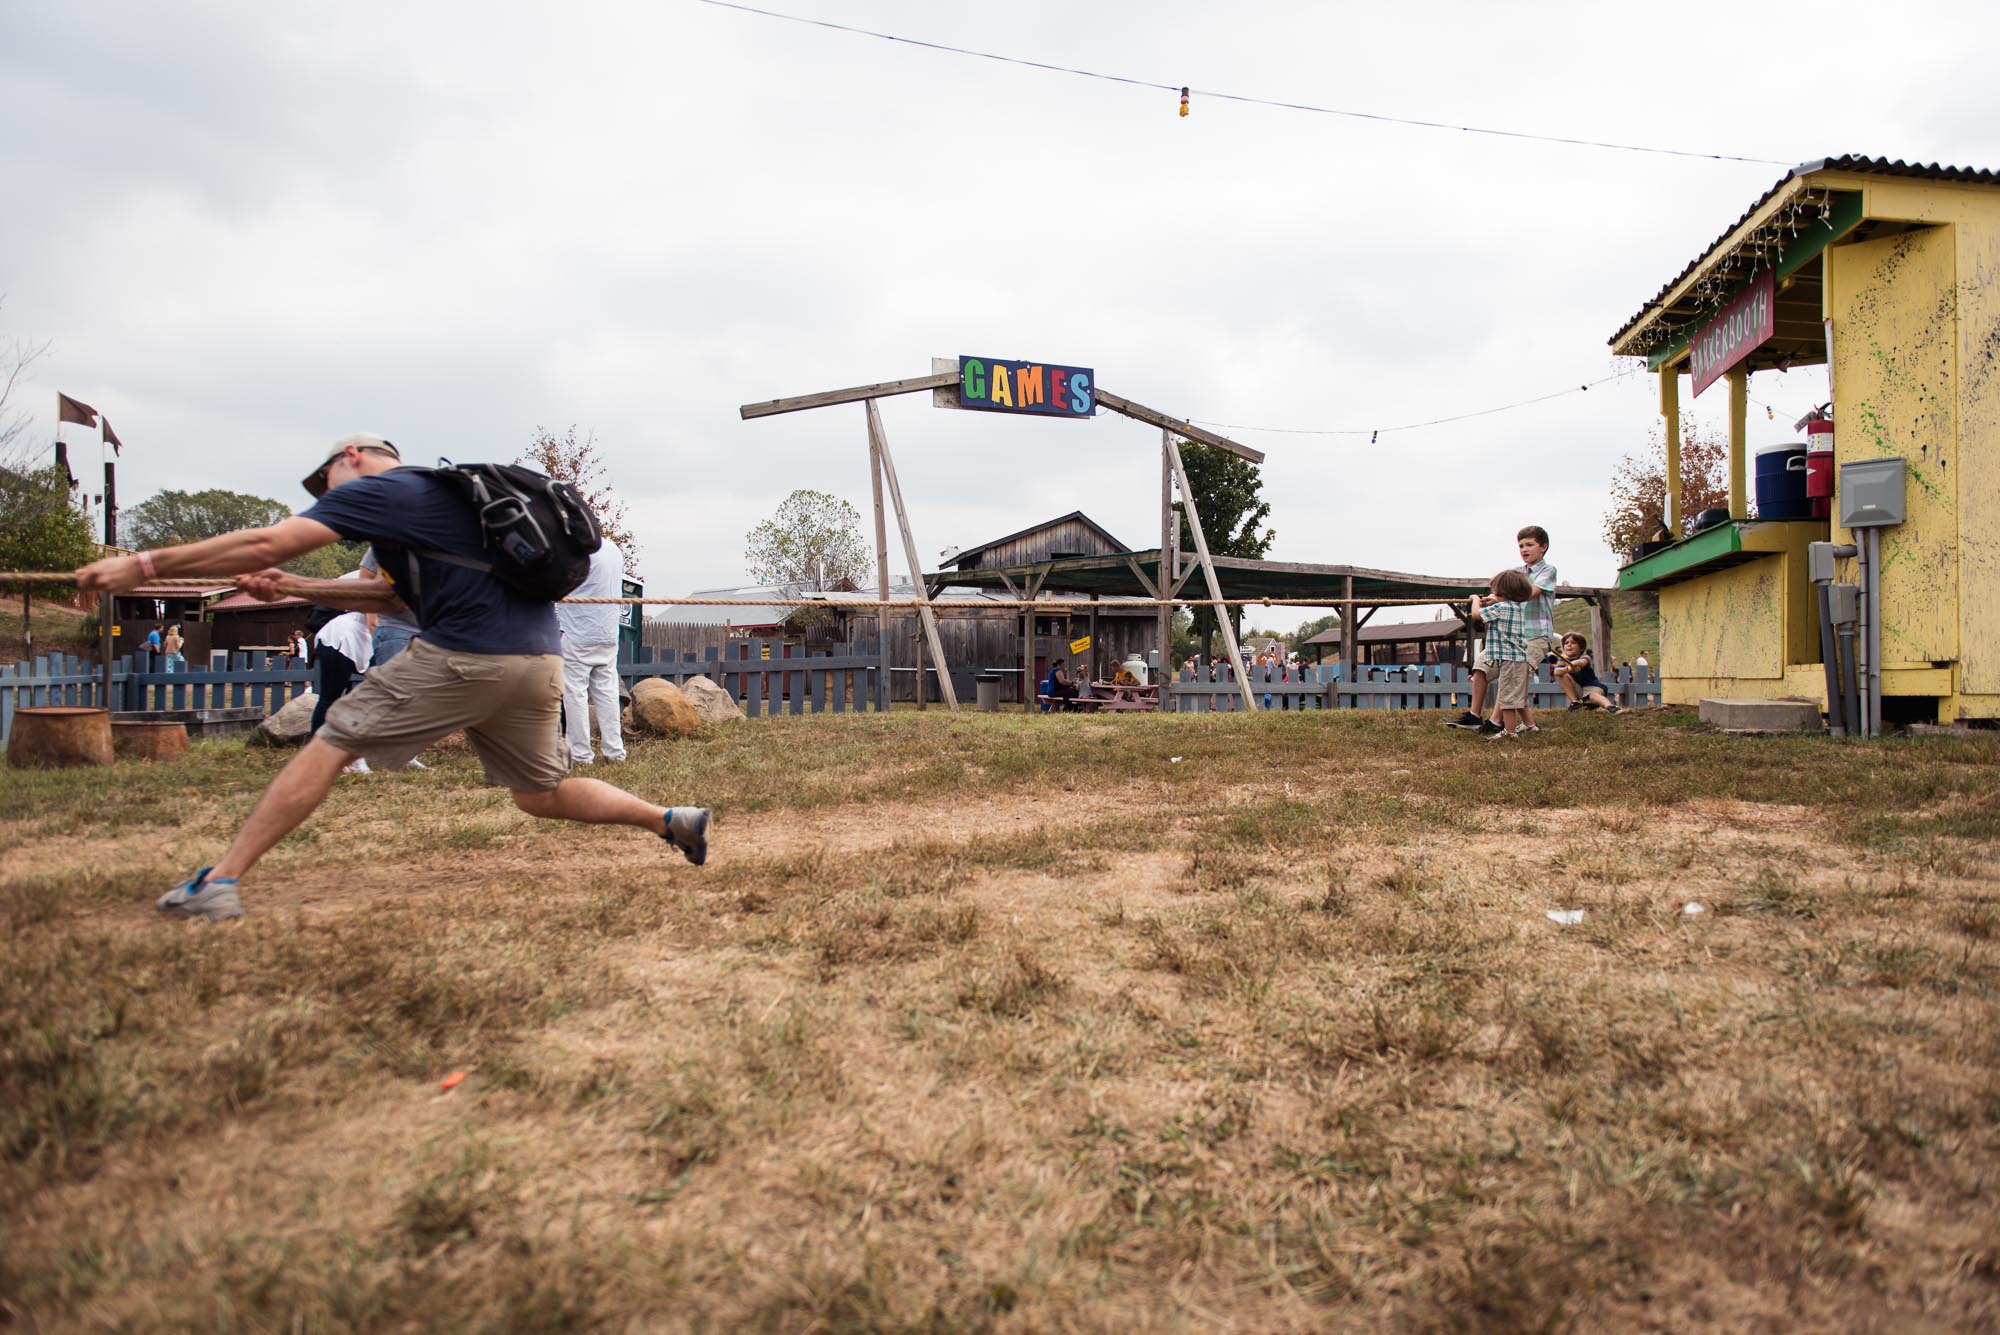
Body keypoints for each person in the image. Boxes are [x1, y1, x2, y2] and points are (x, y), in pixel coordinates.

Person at [74, 432, 710, 924]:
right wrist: (297, 587)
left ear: (349, 458)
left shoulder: (375, 492)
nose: (325, 496)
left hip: (463, 656)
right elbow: (392, 601)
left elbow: (268, 543)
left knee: (332, 739)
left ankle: (218, 883)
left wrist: (146, 564)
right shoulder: (456, 504)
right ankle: (670, 818)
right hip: (536, 661)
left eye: (324, 482)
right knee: (539, 793)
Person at [1446, 525, 1557, 737]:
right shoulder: (1515, 573)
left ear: (1543, 547)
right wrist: (1494, 600)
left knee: (1513, 677)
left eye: (1530, 545)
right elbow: (1505, 594)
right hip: (1510, 638)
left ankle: (1498, 723)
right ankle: (1474, 716)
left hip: (1535, 636)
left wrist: (1497, 599)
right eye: (1521, 546)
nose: (1524, 549)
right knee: (1481, 665)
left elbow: (1528, 593)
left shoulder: (1547, 571)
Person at [556, 536, 629, 765]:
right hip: (607, 632)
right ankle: (614, 751)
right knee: (607, 692)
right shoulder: (613, 549)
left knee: (575, 694)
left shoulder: (574, 549)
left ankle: (580, 754)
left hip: (577, 631)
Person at [1465, 569, 1538, 740]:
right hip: (1520, 659)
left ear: (1502, 591)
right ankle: (1530, 726)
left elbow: (1476, 615)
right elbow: (1502, 605)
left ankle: (1510, 732)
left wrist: (1475, 599)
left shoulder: (1500, 608)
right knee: (1517, 696)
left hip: (1510, 661)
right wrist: (1495, 600)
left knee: (1507, 698)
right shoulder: (1517, 607)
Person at [311, 606, 375, 774]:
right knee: (330, 697)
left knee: (330, 698)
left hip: (343, 637)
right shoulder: (384, 588)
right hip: (344, 640)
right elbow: (373, 623)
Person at [1552, 633, 1622, 713]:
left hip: (1592, 687)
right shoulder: (1562, 661)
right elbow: (1556, 672)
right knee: (1562, 675)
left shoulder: (1585, 656)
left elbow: (1582, 662)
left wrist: (1575, 664)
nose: (1569, 645)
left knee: (1593, 696)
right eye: (1566, 643)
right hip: (1579, 689)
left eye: (1573, 643)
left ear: (1581, 648)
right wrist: (1567, 669)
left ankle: (1611, 707)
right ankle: (1575, 703)